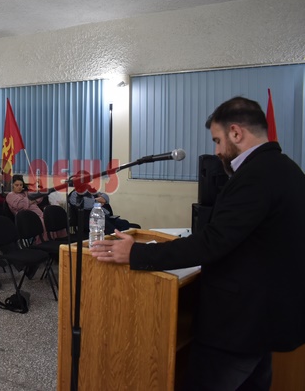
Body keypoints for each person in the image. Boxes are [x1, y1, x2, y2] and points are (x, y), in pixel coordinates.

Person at [91, 97, 305, 390]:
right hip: (264, 320)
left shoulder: (254, 176)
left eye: (217, 140)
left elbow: (213, 242)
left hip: (237, 326)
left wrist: (137, 253)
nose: (216, 151)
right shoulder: (289, 170)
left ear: (235, 132)